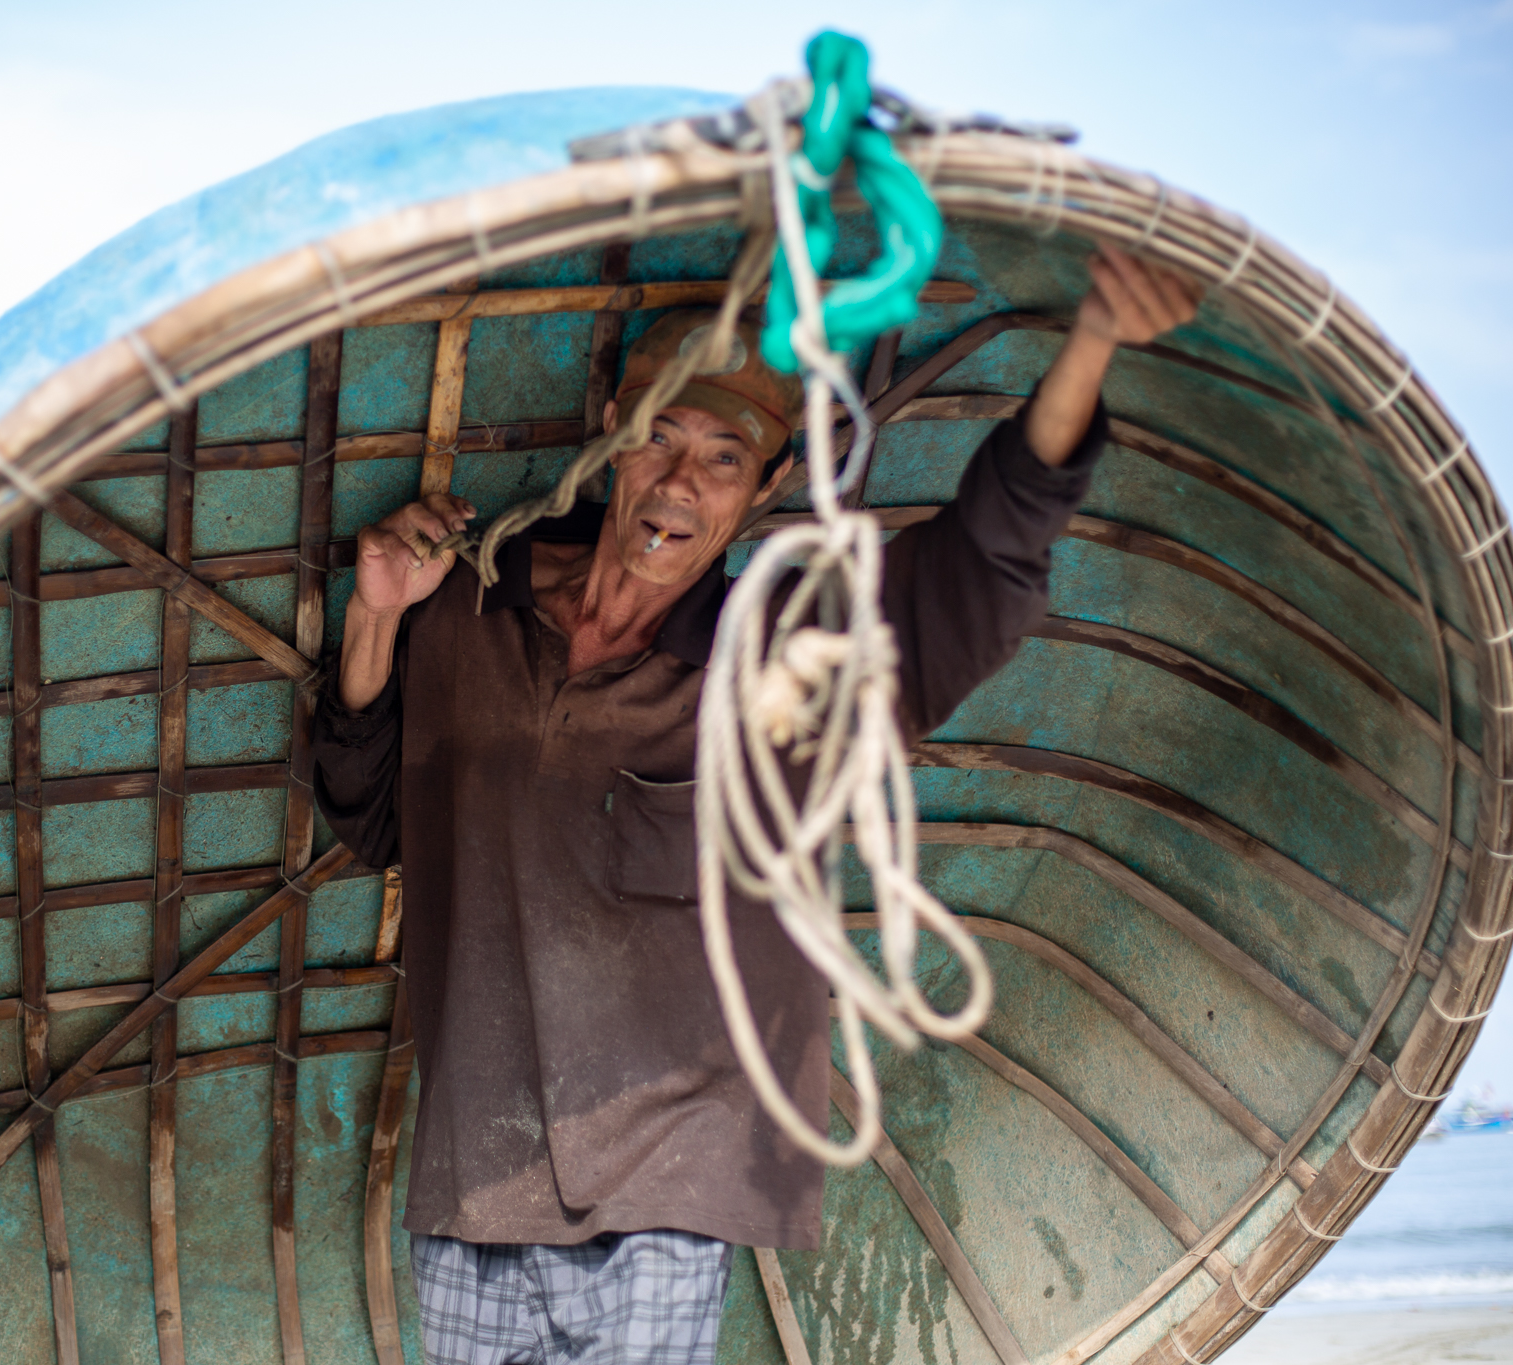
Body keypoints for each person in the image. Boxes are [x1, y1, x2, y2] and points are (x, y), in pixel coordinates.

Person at [310, 243, 1200, 1365]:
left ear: (767, 487)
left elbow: (983, 561)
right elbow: (373, 823)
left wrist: (1089, 348)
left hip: (670, 1178)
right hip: (473, 1169)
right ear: (612, 437)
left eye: (723, 458)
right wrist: (378, 617)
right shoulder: (469, 605)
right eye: (661, 439)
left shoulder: (781, 662)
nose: (681, 483)